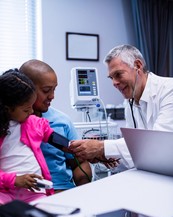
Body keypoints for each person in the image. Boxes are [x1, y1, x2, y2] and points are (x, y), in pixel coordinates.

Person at [69, 44, 173, 169]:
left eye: (118, 74)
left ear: (138, 66)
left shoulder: (169, 90)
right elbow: (137, 153)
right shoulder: (129, 102)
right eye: (111, 78)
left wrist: (101, 147)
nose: (114, 83)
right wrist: (108, 156)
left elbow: (160, 144)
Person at [19, 60, 92, 191]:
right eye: (46, 90)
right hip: (23, 193)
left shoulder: (62, 121)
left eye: (54, 89)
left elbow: (78, 162)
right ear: (26, 89)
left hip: (62, 190)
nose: (52, 96)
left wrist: (84, 190)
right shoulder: (9, 124)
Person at [0, 69, 58, 204]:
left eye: (32, 107)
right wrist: (15, 180)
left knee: (46, 212)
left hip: (34, 191)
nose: (32, 112)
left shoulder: (32, 122)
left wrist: (74, 147)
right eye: (26, 109)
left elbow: (54, 138)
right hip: (4, 191)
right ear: (7, 108)